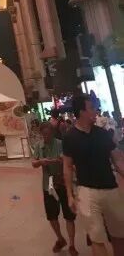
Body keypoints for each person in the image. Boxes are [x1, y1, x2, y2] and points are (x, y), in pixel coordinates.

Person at [63, 94, 124, 255]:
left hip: (111, 189)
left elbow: (117, 159)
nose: (96, 111)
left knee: (119, 235)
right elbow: (67, 166)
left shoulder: (103, 134)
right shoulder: (70, 137)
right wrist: (69, 195)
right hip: (87, 192)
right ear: (81, 112)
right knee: (96, 237)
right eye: (91, 108)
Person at [32, 122, 77, 254]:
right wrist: (41, 162)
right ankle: (60, 238)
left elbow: (70, 161)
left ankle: (72, 244)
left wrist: (63, 159)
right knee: (51, 216)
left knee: (69, 215)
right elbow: (34, 163)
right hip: (49, 184)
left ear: (52, 132)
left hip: (63, 183)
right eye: (44, 134)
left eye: (48, 134)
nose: (46, 136)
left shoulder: (60, 144)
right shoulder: (39, 146)